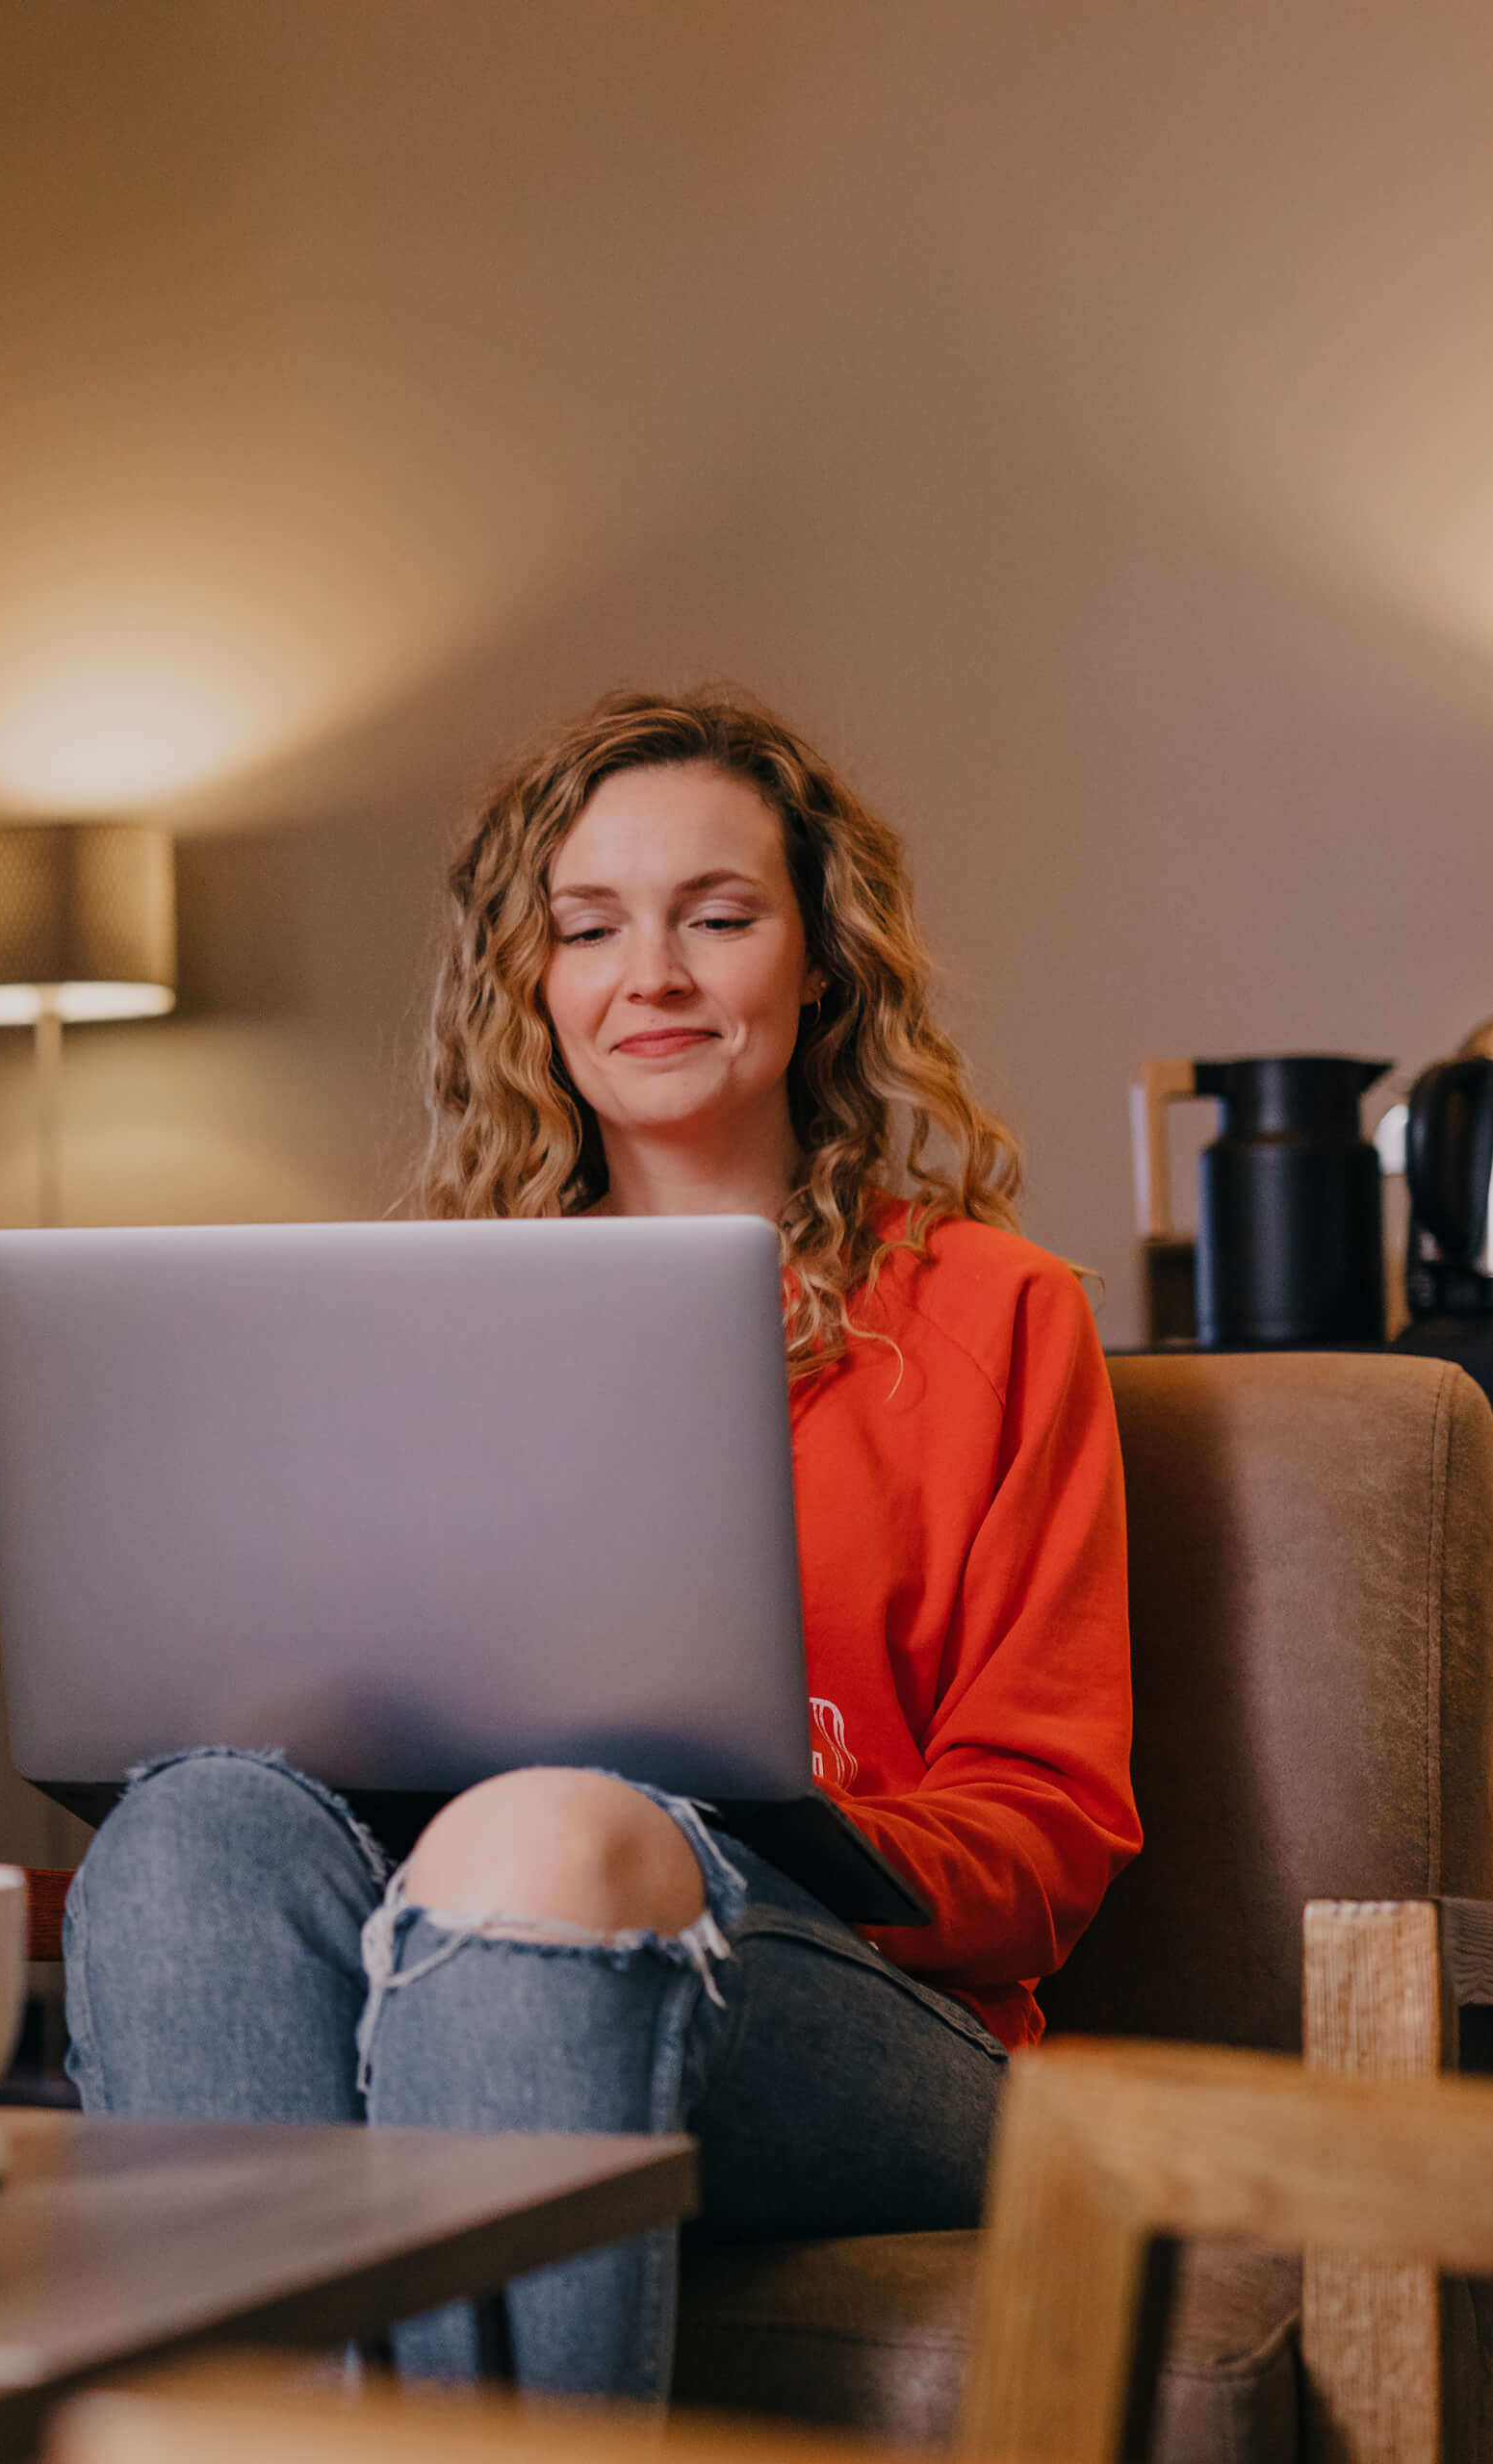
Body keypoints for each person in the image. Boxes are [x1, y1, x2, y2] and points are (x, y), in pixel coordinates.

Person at [59, 687, 1141, 2400]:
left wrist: (762, 1829)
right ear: (532, 985)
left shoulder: (1001, 1316)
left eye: (717, 918)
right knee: (198, 1829)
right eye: (589, 928)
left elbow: (1051, 1837)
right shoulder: (412, 1321)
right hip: (438, 1948)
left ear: (819, 962)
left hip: (851, 2015)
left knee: (552, 1840)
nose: (653, 975)